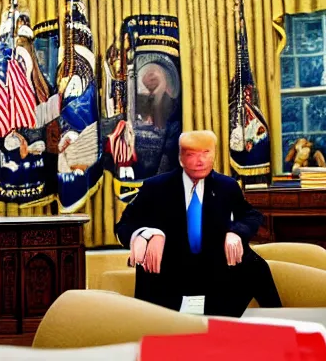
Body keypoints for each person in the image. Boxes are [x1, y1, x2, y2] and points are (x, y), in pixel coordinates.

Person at [114, 129, 281, 317]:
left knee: (257, 267)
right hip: (170, 265)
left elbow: (251, 215)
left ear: (214, 155)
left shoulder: (227, 186)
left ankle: (281, 328)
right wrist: (147, 234)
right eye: (191, 154)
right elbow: (123, 225)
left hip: (214, 264)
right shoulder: (156, 187)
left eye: (205, 153)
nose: (199, 161)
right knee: (158, 320)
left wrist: (236, 232)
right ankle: (154, 329)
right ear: (180, 157)